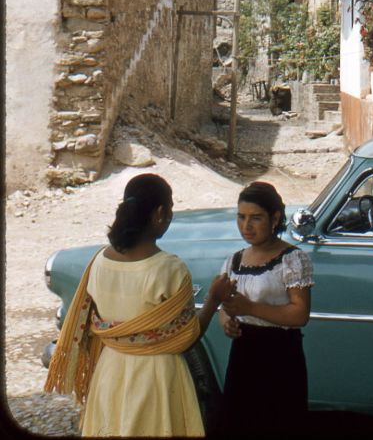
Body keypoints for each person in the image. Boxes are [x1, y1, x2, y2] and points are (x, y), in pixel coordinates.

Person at [45, 173, 235, 437]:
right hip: (156, 378)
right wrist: (213, 299)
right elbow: (185, 337)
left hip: (110, 371)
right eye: (170, 209)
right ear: (159, 213)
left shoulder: (98, 262)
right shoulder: (169, 268)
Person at [219, 181, 314, 435]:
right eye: (241, 217)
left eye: (255, 218)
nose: (246, 226)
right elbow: (225, 306)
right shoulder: (234, 260)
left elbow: (300, 314)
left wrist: (250, 307)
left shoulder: (292, 259)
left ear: (275, 218)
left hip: (280, 357)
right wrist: (227, 322)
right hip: (243, 356)